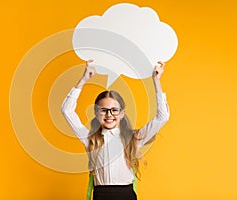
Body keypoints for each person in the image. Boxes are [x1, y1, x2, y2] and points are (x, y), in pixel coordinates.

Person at [61, 60, 170, 200]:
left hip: (126, 195)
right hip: (101, 195)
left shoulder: (134, 138)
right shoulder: (90, 138)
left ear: (122, 113)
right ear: (96, 113)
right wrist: (84, 79)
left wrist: (156, 81)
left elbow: (163, 116)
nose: (109, 115)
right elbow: (66, 110)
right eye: (103, 110)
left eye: (114, 110)